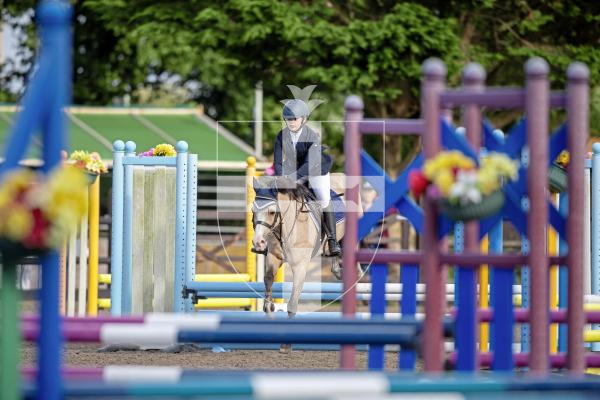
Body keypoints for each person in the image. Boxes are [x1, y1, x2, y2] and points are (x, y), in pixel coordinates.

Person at [272, 99, 341, 256]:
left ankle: (332, 240)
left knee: (323, 198)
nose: (291, 122)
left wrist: (292, 178)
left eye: (294, 119)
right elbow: (277, 161)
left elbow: (309, 165)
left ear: (304, 119)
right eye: (288, 119)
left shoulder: (312, 136)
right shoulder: (281, 136)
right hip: (293, 170)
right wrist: (281, 177)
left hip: (315, 170)